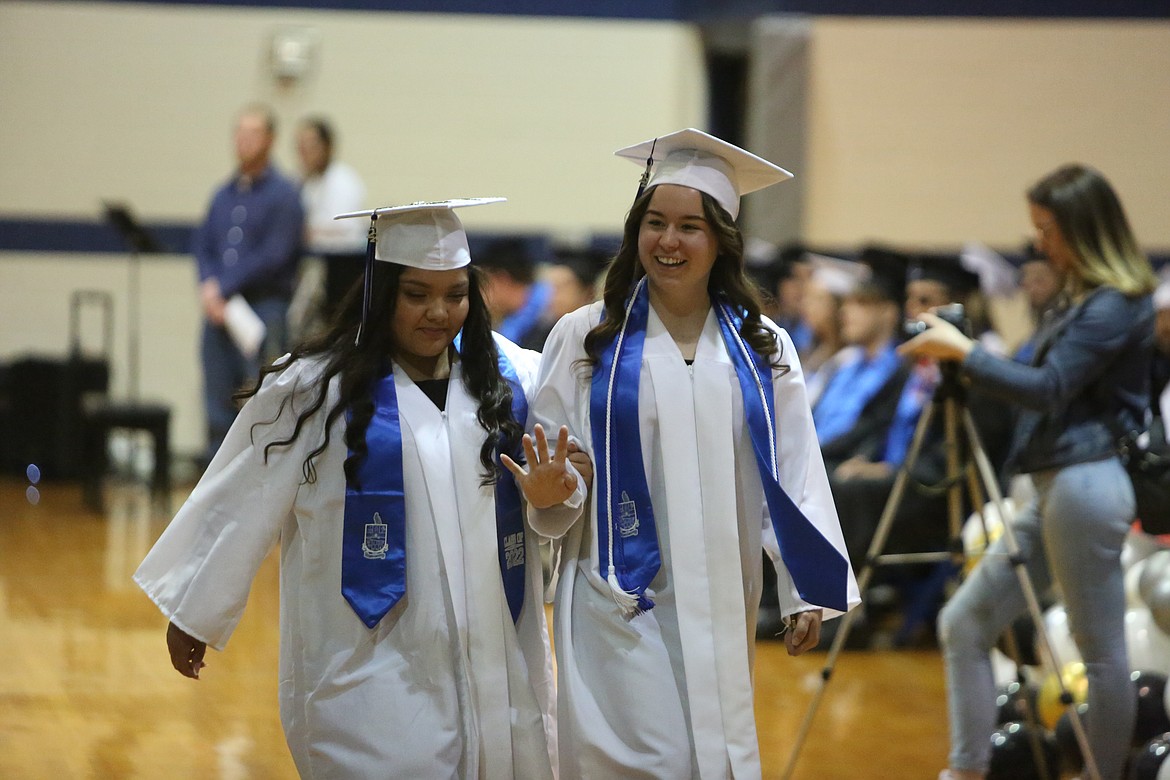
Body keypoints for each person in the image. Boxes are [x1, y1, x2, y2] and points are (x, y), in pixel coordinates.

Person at [136, 199, 581, 779]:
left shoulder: (510, 376)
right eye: (416, 294)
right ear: (381, 293)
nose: (437, 313)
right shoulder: (315, 390)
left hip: (496, 654)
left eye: (454, 295)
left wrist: (558, 494)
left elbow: (566, 478)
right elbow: (244, 489)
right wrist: (195, 610)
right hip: (371, 661)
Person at [517, 128, 859, 778]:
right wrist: (553, 493)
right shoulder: (586, 338)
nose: (668, 242)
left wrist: (803, 586)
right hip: (616, 594)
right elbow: (554, 464)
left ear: (720, 239)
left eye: (689, 227)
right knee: (644, 763)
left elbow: (793, 470)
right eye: (655, 223)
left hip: (723, 592)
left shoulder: (763, 348)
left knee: (712, 759)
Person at [901, 164, 1157, 780]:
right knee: (963, 622)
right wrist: (966, 360)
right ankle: (967, 770)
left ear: (1083, 230)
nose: (1039, 242)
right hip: (1055, 486)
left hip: (1087, 482)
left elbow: (1047, 389)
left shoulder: (1116, 304)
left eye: (1048, 229)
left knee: (1101, 655)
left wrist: (966, 353)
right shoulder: (1079, 300)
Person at [193, 104, 304, 464]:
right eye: (239, 132)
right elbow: (205, 244)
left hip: (263, 309)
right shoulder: (223, 194)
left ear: (270, 140)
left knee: (261, 400)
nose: (243, 139)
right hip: (220, 312)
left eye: (253, 132)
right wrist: (208, 286)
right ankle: (215, 481)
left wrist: (221, 286)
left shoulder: (284, 195)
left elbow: (275, 254)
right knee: (216, 399)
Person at [296, 116, 368, 321]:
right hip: (316, 267)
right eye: (301, 146)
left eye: (311, 145)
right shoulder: (307, 184)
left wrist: (308, 232)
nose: (304, 153)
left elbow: (347, 227)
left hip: (345, 269)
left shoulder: (344, 180)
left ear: (327, 146)